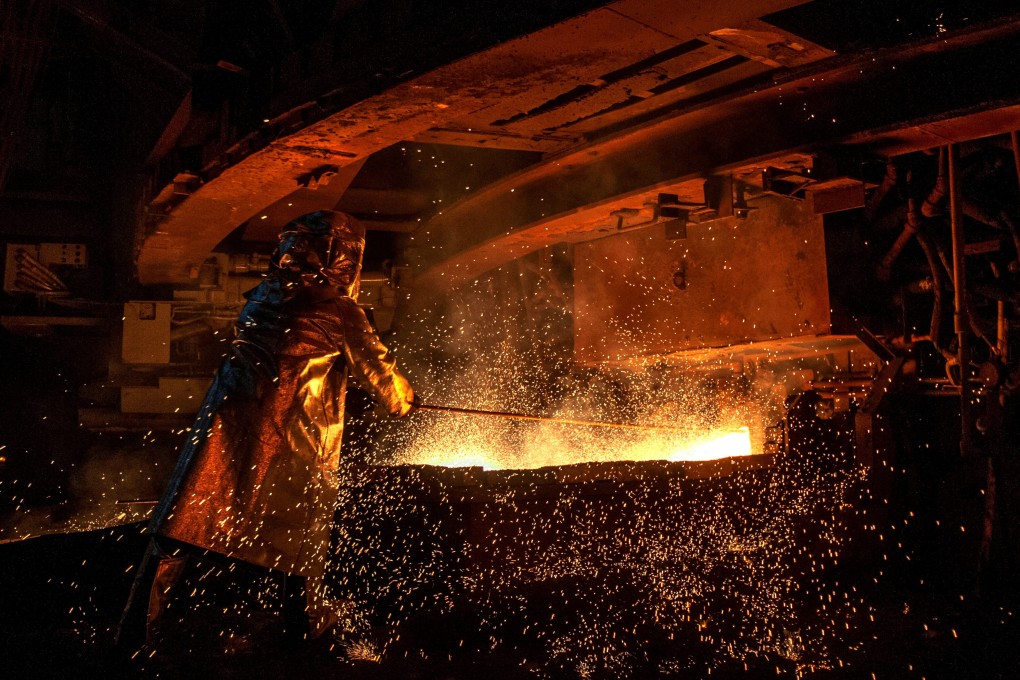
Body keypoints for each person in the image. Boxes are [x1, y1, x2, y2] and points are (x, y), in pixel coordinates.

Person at [118, 210, 415, 648]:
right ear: (343, 259)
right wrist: (403, 400)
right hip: (291, 437)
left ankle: (136, 633)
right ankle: (305, 631)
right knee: (300, 533)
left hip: (227, 425)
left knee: (188, 521)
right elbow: (381, 374)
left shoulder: (264, 296)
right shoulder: (338, 311)